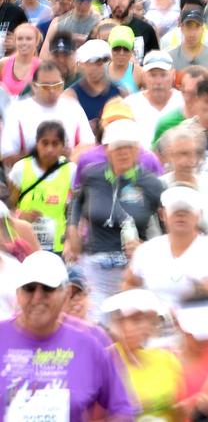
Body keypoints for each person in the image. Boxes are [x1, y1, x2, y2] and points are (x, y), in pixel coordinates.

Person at [0, 251, 138, 421]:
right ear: (18, 294)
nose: (37, 298)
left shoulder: (91, 342)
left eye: (47, 289)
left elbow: (122, 408)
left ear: (65, 295)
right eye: (29, 288)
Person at [67, 118, 164, 311]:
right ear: (107, 150)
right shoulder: (91, 175)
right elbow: (76, 201)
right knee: (96, 322)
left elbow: (167, 229)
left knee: (130, 320)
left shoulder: (152, 183)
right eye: (118, 147)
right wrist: (72, 231)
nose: (124, 152)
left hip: (132, 269)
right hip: (96, 266)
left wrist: (146, 249)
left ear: (138, 149)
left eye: (129, 147)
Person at [126, 183, 208, 308]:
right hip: (154, 318)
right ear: (162, 214)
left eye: (187, 210)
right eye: (175, 210)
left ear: (199, 214)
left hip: (199, 318)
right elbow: (129, 283)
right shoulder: (146, 250)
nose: (181, 215)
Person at [102, 288, 185, 419]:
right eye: (136, 320)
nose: (144, 326)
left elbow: (180, 406)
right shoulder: (106, 361)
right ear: (118, 323)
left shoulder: (166, 359)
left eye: (149, 320)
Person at [7, 120, 76, 254]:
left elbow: (77, 209)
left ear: (63, 146)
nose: (49, 149)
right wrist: (21, 215)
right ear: (37, 143)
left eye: (55, 144)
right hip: (23, 247)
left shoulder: (71, 170)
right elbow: (9, 207)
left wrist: (70, 239)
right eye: (45, 143)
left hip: (57, 247)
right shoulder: (21, 168)